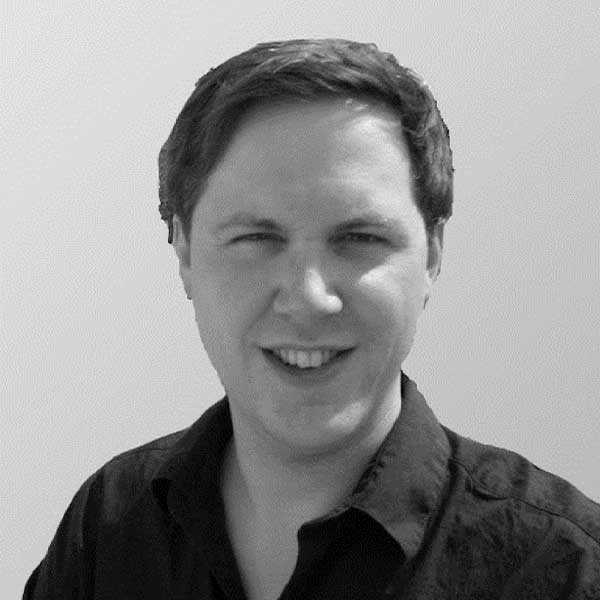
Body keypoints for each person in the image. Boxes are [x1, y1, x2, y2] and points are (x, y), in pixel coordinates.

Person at [24, 38, 600, 600]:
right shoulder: (110, 527)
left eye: (359, 237)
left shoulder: (564, 568)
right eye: (257, 237)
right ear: (184, 254)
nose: (307, 299)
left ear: (431, 255)